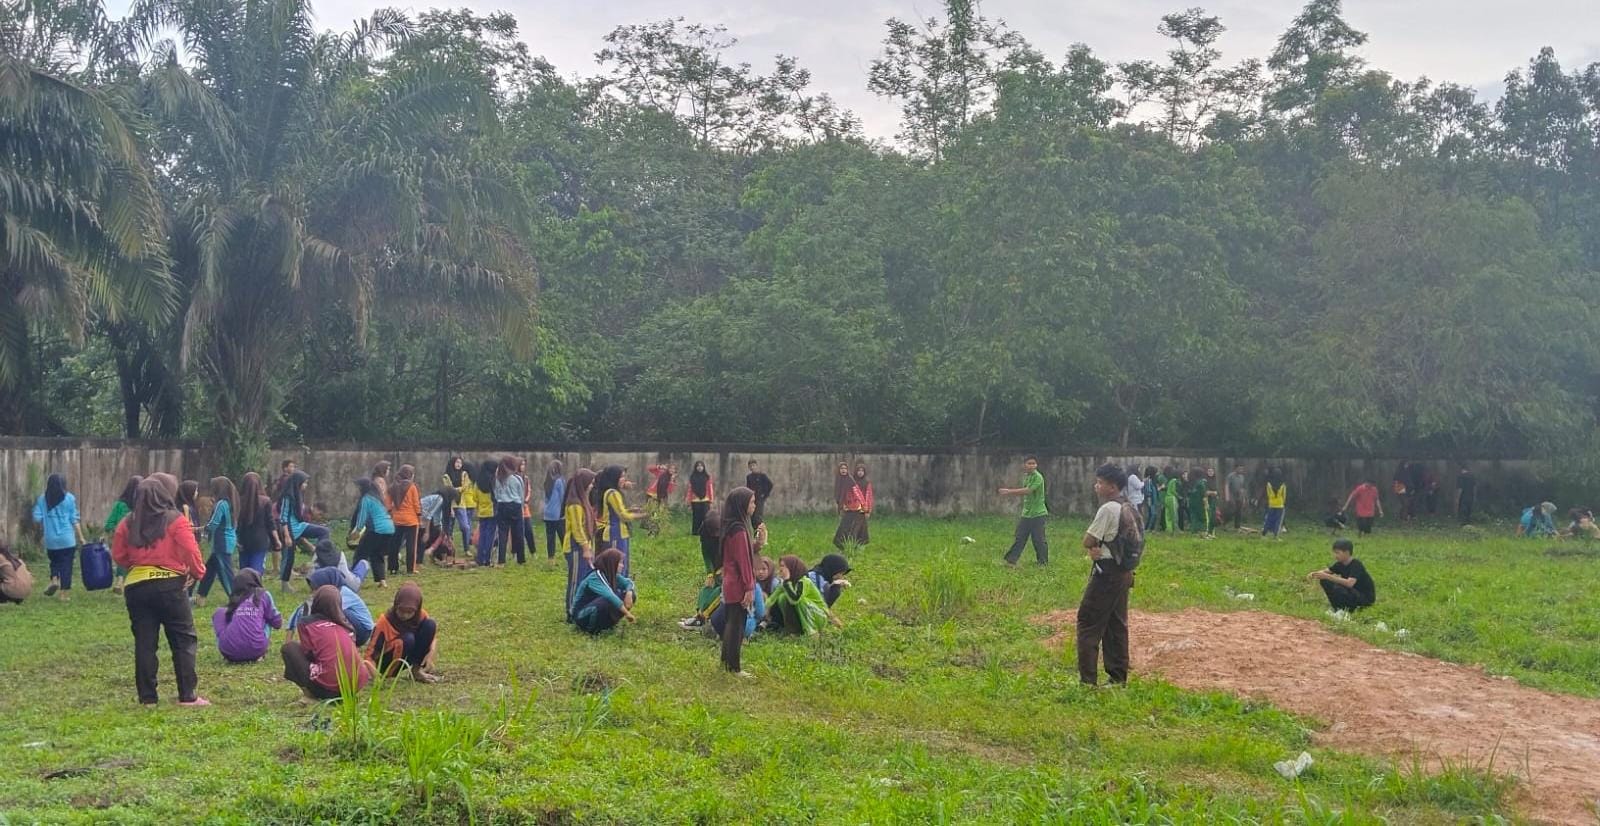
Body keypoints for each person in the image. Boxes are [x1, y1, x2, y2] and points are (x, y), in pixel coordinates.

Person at [110, 474, 209, 706]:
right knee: (183, 639)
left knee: (145, 642)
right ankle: (187, 696)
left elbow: (119, 556)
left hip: (136, 588)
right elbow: (191, 551)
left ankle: (148, 698)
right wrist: (196, 573)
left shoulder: (127, 522)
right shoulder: (175, 519)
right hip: (170, 587)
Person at [1076, 463, 1140, 687]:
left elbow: (1087, 540)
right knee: (1116, 625)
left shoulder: (1107, 509)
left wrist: (1095, 549)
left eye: (1100, 482)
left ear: (1112, 487)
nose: (1096, 485)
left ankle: (1087, 681)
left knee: (1088, 622)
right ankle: (1118, 678)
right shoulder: (1129, 507)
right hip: (1124, 572)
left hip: (1106, 573)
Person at [282, 585, 373, 700]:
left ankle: (309, 694)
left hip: (328, 689)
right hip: (354, 687)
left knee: (289, 648)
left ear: (317, 601)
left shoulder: (307, 623)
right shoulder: (346, 625)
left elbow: (308, 653)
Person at [717, 487, 759, 676]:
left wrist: (757, 544)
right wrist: (749, 587)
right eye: (751, 502)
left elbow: (742, 552)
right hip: (738, 584)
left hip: (730, 581)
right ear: (742, 505)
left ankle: (726, 662)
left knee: (731, 623)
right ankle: (734, 667)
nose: (754, 505)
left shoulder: (730, 527)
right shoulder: (740, 531)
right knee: (737, 626)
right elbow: (744, 562)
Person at [366, 582, 439, 682]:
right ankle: (388, 675)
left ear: (417, 609)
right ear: (396, 605)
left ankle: (416, 671)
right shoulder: (385, 621)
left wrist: (430, 656)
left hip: (406, 656)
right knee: (408, 639)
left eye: (409, 612)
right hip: (387, 661)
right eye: (401, 611)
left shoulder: (421, 616)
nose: (404, 615)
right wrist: (375, 677)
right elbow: (370, 655)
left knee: (430, 625)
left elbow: (432, 638)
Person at [212, 568, 282, 663]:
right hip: (256, 649)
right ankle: (259, 653)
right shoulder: (262, 594)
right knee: (267, 615)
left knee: (219, 612)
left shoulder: (234, 599)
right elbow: (277, 622)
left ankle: (229, 647)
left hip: (229, 652)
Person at [33, 473, 83, 600]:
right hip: (67, 540)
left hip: (51, 540)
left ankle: (54, 579)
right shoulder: (70, 498)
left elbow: (37, 518)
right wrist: (81, 537)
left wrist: (47, 516)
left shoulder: (42, 499)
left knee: (54, 561)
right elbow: (74, 519)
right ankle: (63, 594)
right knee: (66, 565)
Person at [276, 471, 329, 589]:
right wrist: (287, 535)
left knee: (324, 531)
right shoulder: (287, 496)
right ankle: (284, 584)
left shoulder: (299, 494)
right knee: (289, 557)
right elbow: (283, 516)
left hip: (299, 526)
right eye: (304, 483)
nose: (306, 485)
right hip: (289, 529)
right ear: (297, 482)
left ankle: (319, 555)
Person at [193, 476, 238, 606]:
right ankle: (201, 597)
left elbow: (213, 524)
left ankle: (235, 599)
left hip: (222, 542)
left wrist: (196, 529)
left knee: (225, 572)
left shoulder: (221, 504)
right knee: (210, 570)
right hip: (228, 539)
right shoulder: (231, 502)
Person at [570, 548, 636, 635]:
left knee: (632, 595)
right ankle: (589, 630)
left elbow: (628, 583)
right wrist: (627, 613)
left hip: (595, 607)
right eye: (620, 563)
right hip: (580, 615)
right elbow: (610, 596)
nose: (622, 566)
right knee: (607, 600)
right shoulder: (595, 577)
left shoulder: (612, 574)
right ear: (612, 563)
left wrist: (629, 593)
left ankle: (608, 625)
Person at [766, 555, 838, 636]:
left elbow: (795, 600)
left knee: (801, 600)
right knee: (782, 598)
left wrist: (786, 581)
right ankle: (793, 630)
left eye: (783, 566)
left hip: (818, 616)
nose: (781, 569)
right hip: (802, 618)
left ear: (791, 567)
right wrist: (761, 611)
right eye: (780, 566)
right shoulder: (785, 584)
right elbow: (771, 600)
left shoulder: (803, 581)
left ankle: (811, 631)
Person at [594, 465, 644, 575]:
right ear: (614, 477)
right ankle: (617, 590)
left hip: (620, 533)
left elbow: (618, 511)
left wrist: (631, 510)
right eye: (622, 477)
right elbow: (622, 515)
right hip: (615, 534)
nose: (624, 480)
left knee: (622, 564)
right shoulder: (613, 493)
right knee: (617, 565)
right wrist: (642, 516)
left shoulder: (612, 492)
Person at [1000, 456, 1049, 566]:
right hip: (1027, 514)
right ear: (1024, 465)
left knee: (1039, 539)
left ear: (1036, 465)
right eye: (1029, 463)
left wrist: (1009, 492)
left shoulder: (1038, 477)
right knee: (1020, 537)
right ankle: (1011, 560)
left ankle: (1043, 562)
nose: (1031, 465)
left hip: (1038, 513)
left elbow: (1028, 491)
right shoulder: (1026, 477)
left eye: (1033, 463)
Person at [562, 468, 597, 620]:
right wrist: (585, 547)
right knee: (575, 580)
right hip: (575, 547)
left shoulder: (583, 502)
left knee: (583, 579)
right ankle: (571, 611)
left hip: (582, 547)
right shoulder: (575, 505)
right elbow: (577, 529)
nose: (591, 486)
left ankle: (578, 608)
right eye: (590, 483)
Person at [350, 478, 395, 588]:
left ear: (362, 488)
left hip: (377, 530)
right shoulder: (378, 498)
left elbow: (362, 518)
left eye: (357, 487)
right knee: (377, 554)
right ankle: (382, 581)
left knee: (360, 554)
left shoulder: (366, 499)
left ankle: (351, 579)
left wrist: (355, 532)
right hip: (389, 529)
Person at [1309, 538, 1376, 611]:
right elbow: (1326, 571)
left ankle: (1348, 608)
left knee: (1337, 587)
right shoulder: (1340, 564)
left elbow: (1349, 583)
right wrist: (1314, 574)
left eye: (1337, 553)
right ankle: (1337, 608)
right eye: (1334, 553)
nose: (1335, 555)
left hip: (1364, 597)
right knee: (1325, 581)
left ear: (1347, 552)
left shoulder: (1356, 565)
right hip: (1352, 592)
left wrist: (1328, 576)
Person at [106, 475, 142, 594]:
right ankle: (132, 583)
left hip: (121, 536)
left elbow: (110, 523)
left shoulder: (120, 504)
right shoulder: (143, 505)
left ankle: (120, 580)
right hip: (138, 537)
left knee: (122, 558)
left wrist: (110, 533)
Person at [235, 472, 275, 576]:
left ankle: (244, 590)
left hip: (243, 540)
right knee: (256, 570)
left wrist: (236, 539)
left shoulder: (238, 501)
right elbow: (270, 523)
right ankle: (256, 590)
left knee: (244, 570)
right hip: (260, 541)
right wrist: (277, 540)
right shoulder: (266, 501)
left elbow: (235, 523)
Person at [492, 456, 527, 565]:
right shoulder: (517, 478)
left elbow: (496, 494)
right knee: (519, 533)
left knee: (503, 533)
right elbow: (521, 494)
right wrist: (521, 506)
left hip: (502, 505)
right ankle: (521, 559)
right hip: (515, 506)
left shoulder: (498, 478)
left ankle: (501, 560)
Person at [389, 464, 421, 575]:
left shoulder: (392, 487)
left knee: (394, 544)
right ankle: (410, 569)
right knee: (411, 545)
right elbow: (416, 504)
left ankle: (393, 568)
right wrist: (419, 516)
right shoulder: (412, 487)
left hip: (396, 520)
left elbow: (388, 504)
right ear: (409, 475)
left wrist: (391, 514)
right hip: (411, 520)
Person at [832, 462, 872, 550]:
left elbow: (861, 494)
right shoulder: (840, 480)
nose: (843, 470)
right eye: (841, 469)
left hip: (858, 508)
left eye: (845, 469)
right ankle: (845, 545)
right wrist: (842, 506)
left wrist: (866, 508)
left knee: (859, 529)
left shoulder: (851, 480)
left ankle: (856, 546)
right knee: (846, 527)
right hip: (848, 508)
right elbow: (840, 495)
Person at [444, 457, 474, 552]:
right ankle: (449, 549)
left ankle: (466, 549)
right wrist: (456, 490)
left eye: (460, 463)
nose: (458, 464)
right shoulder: (446, 476)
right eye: (457, 462)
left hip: (461, 504)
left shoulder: (464, 474)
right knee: (449, 528)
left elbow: (465, 486)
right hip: (450, 504)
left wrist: (455, 490)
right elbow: (448, 488)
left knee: (465, 526)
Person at [472, 459, 499, 566]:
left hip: (481, 512)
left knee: (482, 535)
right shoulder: (494, 481)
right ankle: (487, 559)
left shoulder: (478, 482)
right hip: (492, 512)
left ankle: (480, 558)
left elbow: (474, 497)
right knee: (490, 536)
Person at [540, 460, 566, 561]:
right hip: (558, 514)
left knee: (550, 538)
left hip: (547, 514)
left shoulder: (547, 481)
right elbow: (563, 497)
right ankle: (567, 557)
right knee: (563, 536)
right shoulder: (560, 481)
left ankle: (551, 558)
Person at [686, 461, 716, 536]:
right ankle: (695, 532)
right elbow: (690, 490)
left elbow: (710, 489)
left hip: (705, 500)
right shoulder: (692, 477)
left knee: (706, 517)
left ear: (704, 467)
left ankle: (706, 532)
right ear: (695, 467)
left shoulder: (707, 477)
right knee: (696, 517)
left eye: (701, 466)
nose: (700, 467)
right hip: (695, 500)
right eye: (698, 466)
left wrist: (711, 500)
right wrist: (688, 501)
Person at [1262, 468, 1287, 539]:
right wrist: (1283, 502)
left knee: (1269, 519)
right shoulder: (1283, 484)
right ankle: (1275, 536)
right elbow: (1284, 495)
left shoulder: (1269, 484)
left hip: (1271, 504)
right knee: (1278, 521)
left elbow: (1268, 494)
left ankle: (1264, 534)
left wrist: (1271, 500)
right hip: (1280, 505)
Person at [1187, 467, 1212, 538]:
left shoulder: (1191, 482)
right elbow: (1204, 494)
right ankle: (1203, 532)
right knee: (1203, 517)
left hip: (1192, 502)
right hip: (1200, 503)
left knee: (1194, 517)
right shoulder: (1201, 482)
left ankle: (1194, 531)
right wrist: (1206, 504)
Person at [1224, 465, 1247, 531]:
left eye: (1242, 469)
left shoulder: (1242, 477)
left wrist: (1244, 498)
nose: (1241, 470)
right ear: (1236, 469)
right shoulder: (1230, 476)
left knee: (1239, 511)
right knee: (1232, 510)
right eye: (1239, 469)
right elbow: (1226, 486)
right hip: (1232, 495)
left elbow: (1242, 487)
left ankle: (1237, 526)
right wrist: (1227, 496)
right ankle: (1225, 523)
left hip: (1239, 495)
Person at [1162, 468, 1182, 533]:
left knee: (1167, 515)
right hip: (1172, 498)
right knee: (1174, 514)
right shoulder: (1174, 480)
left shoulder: (1169, 480)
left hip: (1166, 498)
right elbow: (1173, 490)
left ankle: (1169, 529)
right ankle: (1176, 529)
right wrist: (1178, 496)